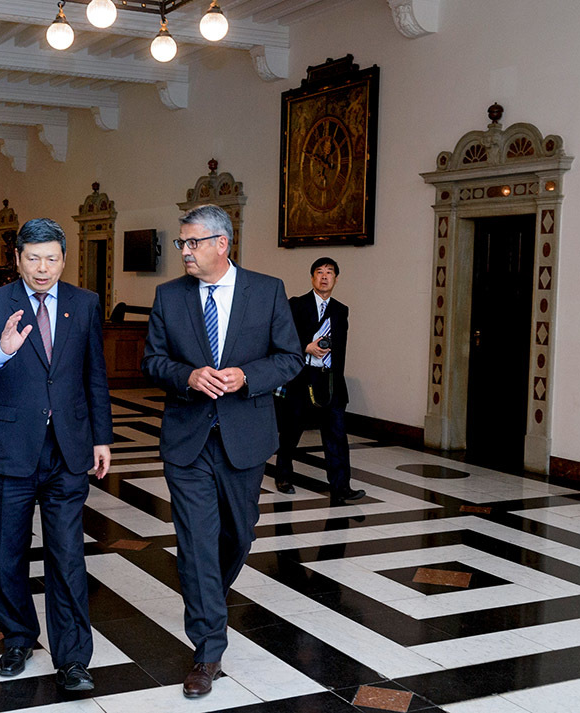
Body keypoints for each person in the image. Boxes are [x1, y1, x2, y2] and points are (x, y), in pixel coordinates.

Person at [141, 204, 302, 698]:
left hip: (245, 439)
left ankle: (206, 587)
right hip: (187, 441)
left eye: (192, 243)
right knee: (195, 543)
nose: (184, 252)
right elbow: (152, 361)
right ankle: (208, 649)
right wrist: (187, 377)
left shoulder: (268, 290)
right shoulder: (169, 297)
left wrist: (248, 376)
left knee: (237, 535)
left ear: (221, 244)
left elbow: (291, 358)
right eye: (181, 244)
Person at [0, 219, 112, 690]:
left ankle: (73, 657)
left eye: (52, 258)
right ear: (18, 259)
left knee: (68, 555)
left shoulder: (83, 304)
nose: (43, 268)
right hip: (8, 451)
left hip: (67, 449)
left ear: (65, 258)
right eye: (33, 258)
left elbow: (93, 375)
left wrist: (101, 437)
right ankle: (18, 636)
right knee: (6, 552)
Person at [274, 257, 365, 503]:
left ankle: (341, 486)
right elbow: (281, 338)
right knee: (292, 431)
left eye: (330, 273)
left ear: (336, 278)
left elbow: (341, 349)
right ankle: (283, 475)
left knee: (336, 435)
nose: (324, 277)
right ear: (312, 277)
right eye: (319, 272)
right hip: (301, 377)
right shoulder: (295, 305)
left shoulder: (340, 310)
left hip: (329, 380)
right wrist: (306, 347)